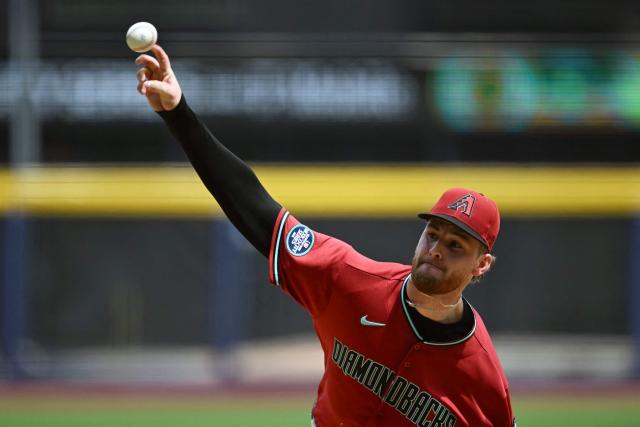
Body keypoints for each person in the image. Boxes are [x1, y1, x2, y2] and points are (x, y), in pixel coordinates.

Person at [134, 45, 516, 427]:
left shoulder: (482, 374)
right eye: (432, 234)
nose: (435, 250)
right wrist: (178, 112)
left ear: (481, 265)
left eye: (454, 246)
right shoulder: (347, 279)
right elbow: (255, 207)